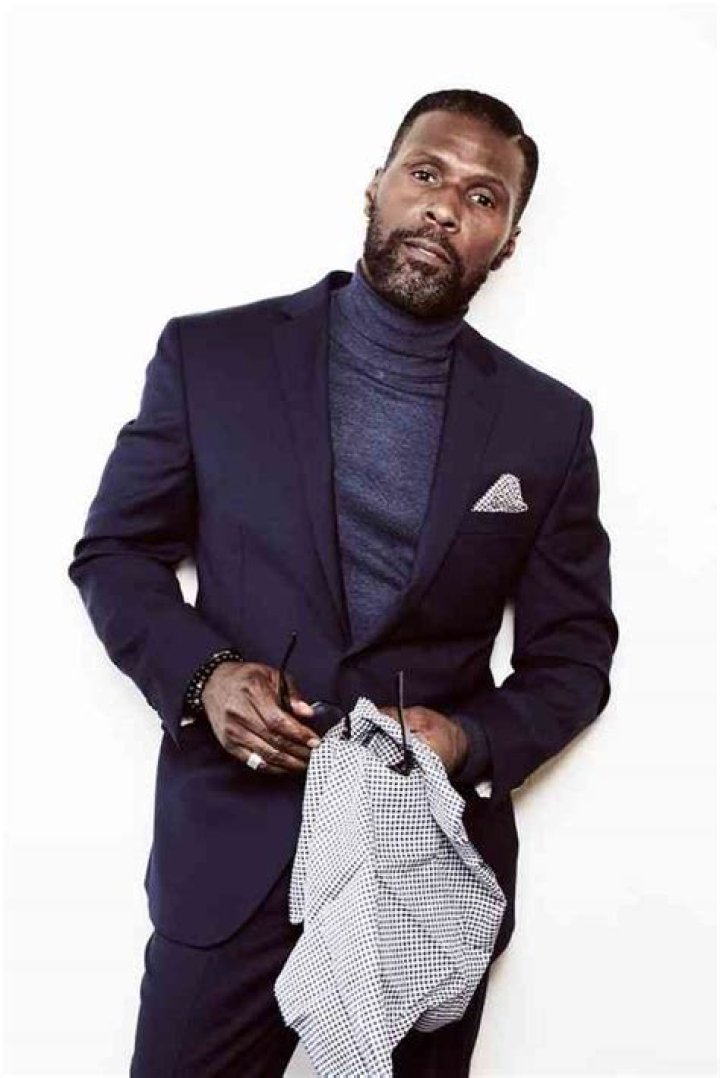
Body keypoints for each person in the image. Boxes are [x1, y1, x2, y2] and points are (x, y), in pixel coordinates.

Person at [67, 87, 619, 1077]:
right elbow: (115, 552)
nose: (446, 206)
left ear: (508, 242)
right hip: (231, 854)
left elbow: (574, 656)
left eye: (483, 197)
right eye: (427, 173)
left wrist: (468, 740)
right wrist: (206, 677)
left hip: (418, 874)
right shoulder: (211, 357)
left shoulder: (549, 425)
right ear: (376, 186)